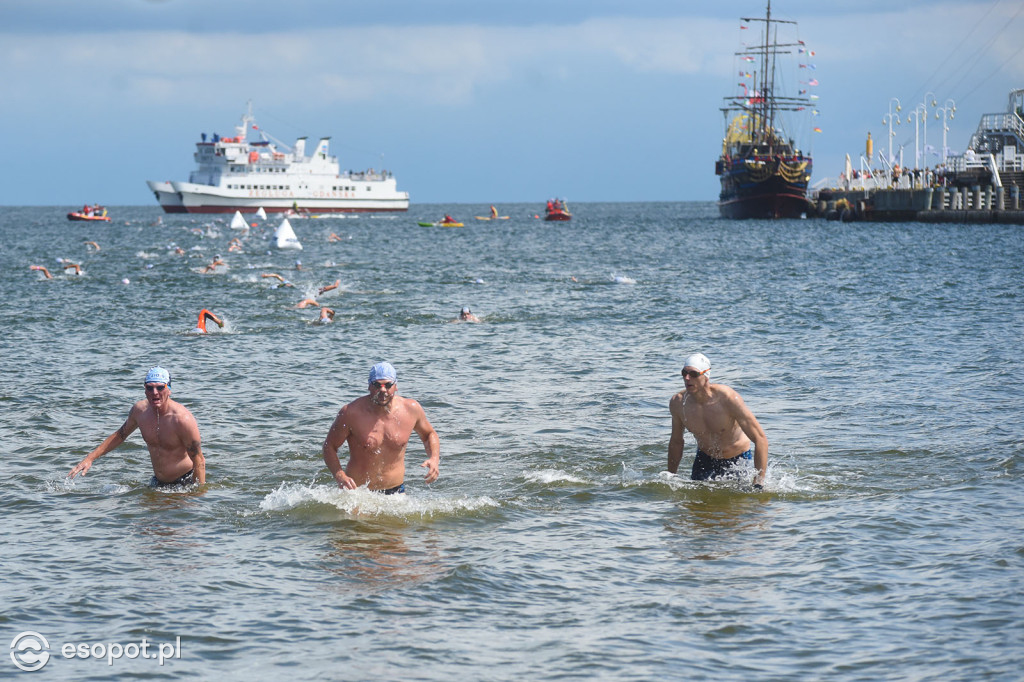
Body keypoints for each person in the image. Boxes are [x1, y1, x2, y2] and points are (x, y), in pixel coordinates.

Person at [68, 367, 206, 487]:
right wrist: (90, 458)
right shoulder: (139, 411)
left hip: (184, 482)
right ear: (145, 390)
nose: (155, 392)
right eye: (150, 387)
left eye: (160, 387)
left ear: (169, 390)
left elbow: (199, 460)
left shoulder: (182, 419)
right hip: (157, 482)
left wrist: (197, 497)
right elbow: (120, 435)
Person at [322, 362, 440, 494]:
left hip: (396, 491)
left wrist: (434, 458)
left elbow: (429, 434)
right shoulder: (350, 413)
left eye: (388, 385)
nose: (383, 390)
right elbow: (329, 446)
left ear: (396, 386)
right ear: (369, 386)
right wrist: (340, 476)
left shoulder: (411, 409)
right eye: (377, 385)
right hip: (358, 492)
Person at [668, 353, 768, 488]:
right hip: (704, 460)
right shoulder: (678, 403)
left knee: (736, 507)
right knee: (695, 507)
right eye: (684, 373)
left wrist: (758, 483)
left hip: (737, 461)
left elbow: (760, 438)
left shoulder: (728, 399)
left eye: (693, 374)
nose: (687, 378)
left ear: (706, 375)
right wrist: (670, 477)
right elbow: (676, 442)